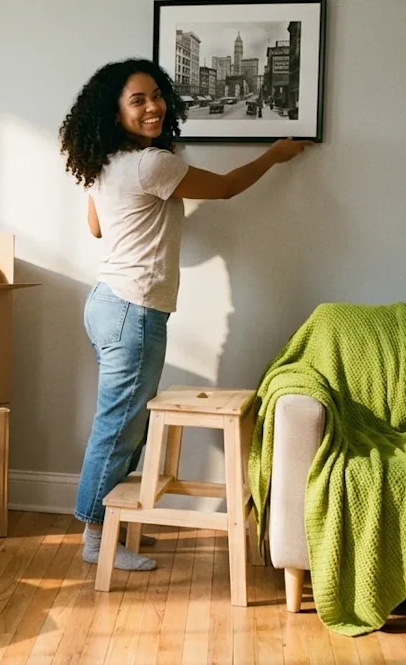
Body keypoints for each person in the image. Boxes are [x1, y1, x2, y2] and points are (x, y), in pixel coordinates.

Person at [58, 58, 311, 572]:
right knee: (120, 427)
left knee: (127, 424)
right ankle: (94, 533)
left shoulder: (107, 161)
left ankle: (111, 525)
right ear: (115, 112)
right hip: (133, 309)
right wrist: (275, 156)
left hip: (109, 302)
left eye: (157, 96)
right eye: (138, 100)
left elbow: (96, 227)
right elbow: (227, 187)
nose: (153, 107)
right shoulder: (151, 166)